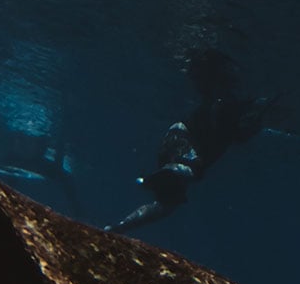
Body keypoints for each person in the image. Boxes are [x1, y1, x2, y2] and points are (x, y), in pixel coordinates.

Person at [108, 49, 271, 232]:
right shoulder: (226, 108)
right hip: (183, 139)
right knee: (188, 170)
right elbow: (227, 124)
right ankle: (170, 172)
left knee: (168, 204)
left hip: (178, 138)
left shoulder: (228, 111)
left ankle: (117, 227)